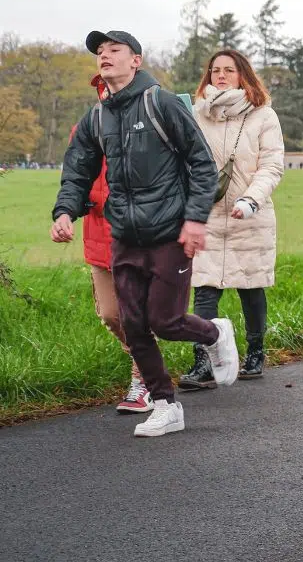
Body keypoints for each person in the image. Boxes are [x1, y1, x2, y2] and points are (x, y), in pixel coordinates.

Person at [51, 29, 238, 438]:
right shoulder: (98, 116)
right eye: (100, 52)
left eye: (114, 50)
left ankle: (215, 331)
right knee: (133, 324)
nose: (104, 56)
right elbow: (78, 169)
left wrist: (194, 220)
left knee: (165, 320)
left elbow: (202, 164)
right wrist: (65, 211)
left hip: (170, 232)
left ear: (136, 60)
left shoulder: (162, 103)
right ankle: (166, 404)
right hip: (125, 235)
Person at [179, 50, 285, 389]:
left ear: (243, 75)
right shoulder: (196, 115)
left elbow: (271, 165)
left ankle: (255, 352)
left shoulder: (263, 116)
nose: (221, 76)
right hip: (207, 215)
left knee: (250, 286)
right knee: (204, 289)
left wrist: (251, 199)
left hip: (249, 215)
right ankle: (205, 360)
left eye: (229, 70)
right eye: (215, 70)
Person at [71, 79, 151, 414]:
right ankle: (146, 358)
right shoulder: (86, 126)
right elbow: (75, 174)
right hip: (97, 235)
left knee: (138, 313)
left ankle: (143, 380)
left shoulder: (144, 124)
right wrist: (74, 206)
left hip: (137, 233)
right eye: (102, 86)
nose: (107, 90)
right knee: (109, 313)